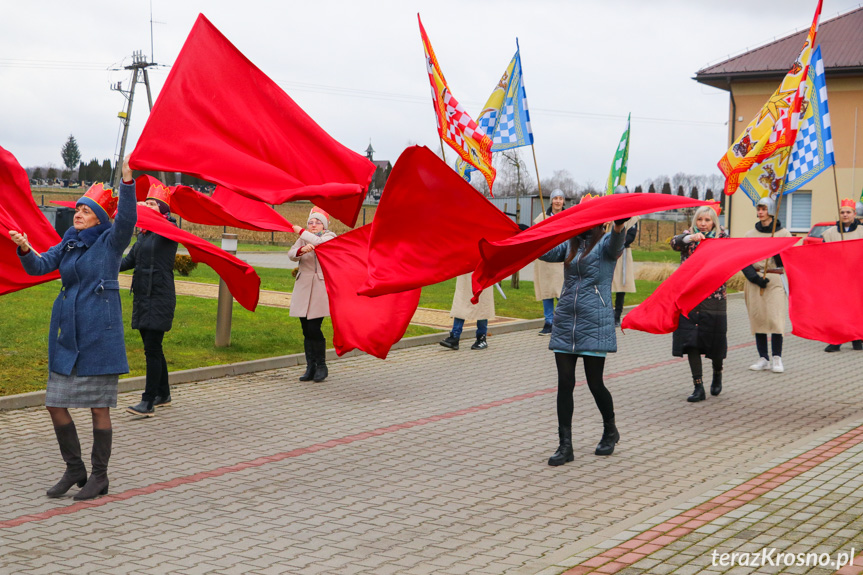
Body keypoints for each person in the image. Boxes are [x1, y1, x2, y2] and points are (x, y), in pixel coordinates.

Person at [9, 157, 136, 500]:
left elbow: (127, 219)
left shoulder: (110, 243)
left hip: (100, 336)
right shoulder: (68, 241)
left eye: (86, 210)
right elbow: (39, 266)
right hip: (68, 336)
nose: (78, 213)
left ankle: (99, 476)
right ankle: (74, 468)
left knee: (99, 407)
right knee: (54, 402)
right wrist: (24, 247)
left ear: (100, 218)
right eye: (77, 208)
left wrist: (127, 182)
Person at [539, 196, 628, 465]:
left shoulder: (604, 244)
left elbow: (616, 245)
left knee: (594, 383)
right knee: (564, 384)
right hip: (566, 319)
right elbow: (545, 251)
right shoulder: (570, 242)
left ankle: (610, 430)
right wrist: (527, 236)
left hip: (594, 321)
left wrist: (619, 227)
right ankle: (565, 446)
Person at [121, 182, 179, 416]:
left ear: (163, 209)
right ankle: (163, 393)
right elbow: (127, 262)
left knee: (152, 349)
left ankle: (148, 402)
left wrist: (143, 210)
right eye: (146, 202)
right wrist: (104, 262)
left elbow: (163, 226)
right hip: (143, 297)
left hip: (160, 296)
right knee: (153, 347)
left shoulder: (168, 230)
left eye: (152, 203)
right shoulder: (143, 235)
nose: (146, 205)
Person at [670, 206, 729, 401]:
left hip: (714, 298)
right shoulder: (688, 238)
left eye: (707, 220)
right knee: (691, 341)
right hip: (690, 298)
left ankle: (717, 373)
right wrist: (689, 238)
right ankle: (698, 386)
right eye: (700, 219)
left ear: (714, 222)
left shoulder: (722, 239)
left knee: (715, 341)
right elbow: (674, 243)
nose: (703, 223)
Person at [741, 196, 791, 373]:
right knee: (758, 318)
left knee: (775, 318)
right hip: (755, 280)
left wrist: (776, 249)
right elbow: (744, 259)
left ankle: (777, 357)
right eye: (758, 209)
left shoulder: (783, 233)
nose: (760, 212)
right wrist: (753, 278)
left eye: (763, 209)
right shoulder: (750, 234)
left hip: (775, 278)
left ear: (770, 211)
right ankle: (763, 357)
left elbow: (788, 259)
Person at [289, 207, 337, 382]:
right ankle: (310, 367)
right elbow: (291, 254)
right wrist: (301, 251)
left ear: (324, 225)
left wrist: (301, 231)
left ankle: (322, 365)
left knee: (314, 327)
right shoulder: (303, 239)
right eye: (311, 222)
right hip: (303, 285)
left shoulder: (329, 236)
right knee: (305, 329)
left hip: (319, 286)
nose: (313, 225)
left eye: (317, 222)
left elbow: (321, 244)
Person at [821, 198, 863, 352]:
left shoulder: (861, 231)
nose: (845, 215)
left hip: (857, 276)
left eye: (848, 212)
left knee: (856, 308)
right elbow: (824, 255)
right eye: (842, 212)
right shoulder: (830, 233)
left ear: (854, 214)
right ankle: (836, 339)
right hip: (837, 276)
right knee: (837, 308)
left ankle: (856, 338)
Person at [533, 189, 566, 336]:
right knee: (547, 292)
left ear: (563, 201)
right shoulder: (542, 217)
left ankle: (561, 323)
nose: (557, 201)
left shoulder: (568, 216)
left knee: (561, 293)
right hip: (546, 260)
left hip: (562, 259)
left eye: (560, 198)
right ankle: (548, 322)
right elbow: (536, 236)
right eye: (555, 198)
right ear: (551, 201)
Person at [439, 272, 492, 351]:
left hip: (482, 270)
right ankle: (455, 337)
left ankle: (481, 338)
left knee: (482, 305)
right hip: (466, 271)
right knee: (461, 303)